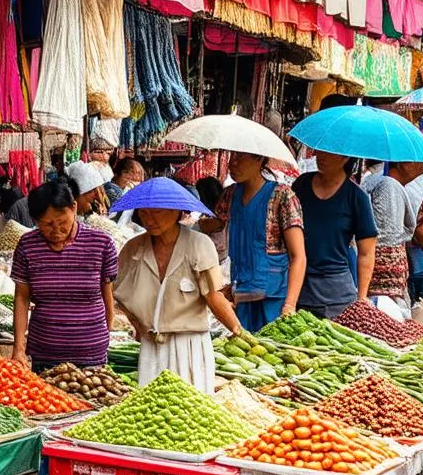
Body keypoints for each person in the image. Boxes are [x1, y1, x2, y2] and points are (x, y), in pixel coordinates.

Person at [112, 178, 243, 394]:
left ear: (177, 212)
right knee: (152, 411)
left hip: (189, 343)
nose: (149, 218)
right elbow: (118, 293)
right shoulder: (133, 248)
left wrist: (239, 332)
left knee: (191, 409)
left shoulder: (199, 245)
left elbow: (213, 296)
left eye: (158, 212)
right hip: (151, 344)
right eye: (144, 212)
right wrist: (137, 323)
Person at [11, 180, 118, 373]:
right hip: (44, 354)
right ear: (35, 220)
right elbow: (21, 297)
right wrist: (18, 347)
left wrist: (105, 334)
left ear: (74, 208)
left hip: (91, 354)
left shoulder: (101, 243)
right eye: (47, 224)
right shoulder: (27, 245)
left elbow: (107, 296)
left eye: (62, 222)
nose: (56, 230)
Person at [199, 154, 306, 331]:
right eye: (231, 156)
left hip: (274, 296)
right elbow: (215, 223)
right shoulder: (230, 194)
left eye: (239, 157)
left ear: (259, 159)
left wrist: (290, 305)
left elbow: (298, 256)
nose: (232, 163)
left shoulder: (282, 196)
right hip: (241, 292)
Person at [292, 151, 377, 319]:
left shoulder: (356, 197)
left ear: (345, 156)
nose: (320, 156)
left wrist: (361, 297)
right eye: (320, 151)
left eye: (329, 153)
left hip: (336, 294)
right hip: (298, 287)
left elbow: (366, 253)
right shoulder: (301, 185)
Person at [361, 161, 417, 303]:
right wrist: (399, 238)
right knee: (391, 308)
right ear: (401, 164)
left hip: (372, 255)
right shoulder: (391, 185)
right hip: (391, 260)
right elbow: (411, 226)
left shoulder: (368, 183)